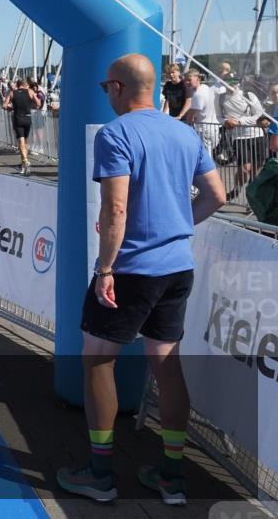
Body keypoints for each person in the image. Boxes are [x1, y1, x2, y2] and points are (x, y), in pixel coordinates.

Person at [57, 54, 225, 506]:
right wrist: (178, 227)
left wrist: (105, 269)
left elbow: (115, 210)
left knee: (96, 360)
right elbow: (217, 195)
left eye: (103, 88)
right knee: (166, 365)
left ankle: (100, 473)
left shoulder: (116, 134)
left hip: (131, 268)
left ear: (116, 88)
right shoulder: (183, 133)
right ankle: (171, 475)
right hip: (176, 267)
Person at [217, 76, 266, 200]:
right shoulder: (221, 97)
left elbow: (259, 114)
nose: (232, 86)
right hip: (239, 137)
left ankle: (252, 199)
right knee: (244, 169)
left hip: (257, 135)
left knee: (256, 171)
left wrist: (239, 121)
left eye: (234, 83)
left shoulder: (249, 95)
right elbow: (219, 116)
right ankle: (237, 189)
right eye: (228, 83)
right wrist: (226, 122)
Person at [4, 79, 37, 175]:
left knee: (21, 141)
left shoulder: (12, 93)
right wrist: (30, 106)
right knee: (25, 141)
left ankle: (25, 161)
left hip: (18, 118)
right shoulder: (30, 92)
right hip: (27, 118)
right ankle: (23, 165)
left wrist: (11, 108)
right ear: (25, 85)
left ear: (18, 85)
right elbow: (38, 103)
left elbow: (4, 105)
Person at [183, 70, 220, 152]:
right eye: (185, 80)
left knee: (205, 156)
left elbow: (190, 116)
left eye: (189, 80)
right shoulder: (206, 88)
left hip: (204, 130)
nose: (186, 83)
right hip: (213, 128)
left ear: (198, 79)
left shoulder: (198, 94)